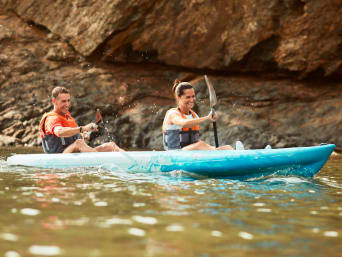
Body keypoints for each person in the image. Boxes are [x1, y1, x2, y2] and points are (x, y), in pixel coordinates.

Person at [39, 86, 123, 153]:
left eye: (68, 100)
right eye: (63, 101)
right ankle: (101, 162)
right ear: (54, 101)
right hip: (58, 157)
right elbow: (59, 132)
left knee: (110, 146)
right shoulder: (52, 118)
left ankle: (131, 163)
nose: (67, 104)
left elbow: (76, 137)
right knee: (79, 143)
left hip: (72, 152)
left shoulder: (67, 117)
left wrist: (85, 135)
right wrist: (82, 128)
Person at [162, 80, 234, 151]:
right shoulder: (172, 113)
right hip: (174, 153)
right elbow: (184, 123)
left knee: (227, 147)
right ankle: (218, 152)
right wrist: (207, 118)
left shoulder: (194, 115)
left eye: (193, 96)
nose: (192, 100)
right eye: (188, 97)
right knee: (201, 145)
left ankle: (229, 152)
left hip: (190, 154)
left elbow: (195, 141)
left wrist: (211, 147)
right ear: (178, 97)